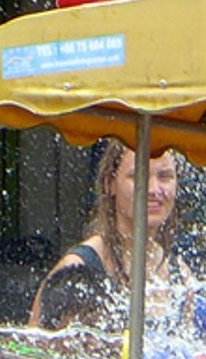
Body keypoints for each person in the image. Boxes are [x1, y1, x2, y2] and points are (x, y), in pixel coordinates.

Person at [30, 142, 192, 333]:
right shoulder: (77, 267)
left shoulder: (181, 277)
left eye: (165, 177)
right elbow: (34, 356)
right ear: (109, 183)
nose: (154, 190)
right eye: (138, 176)